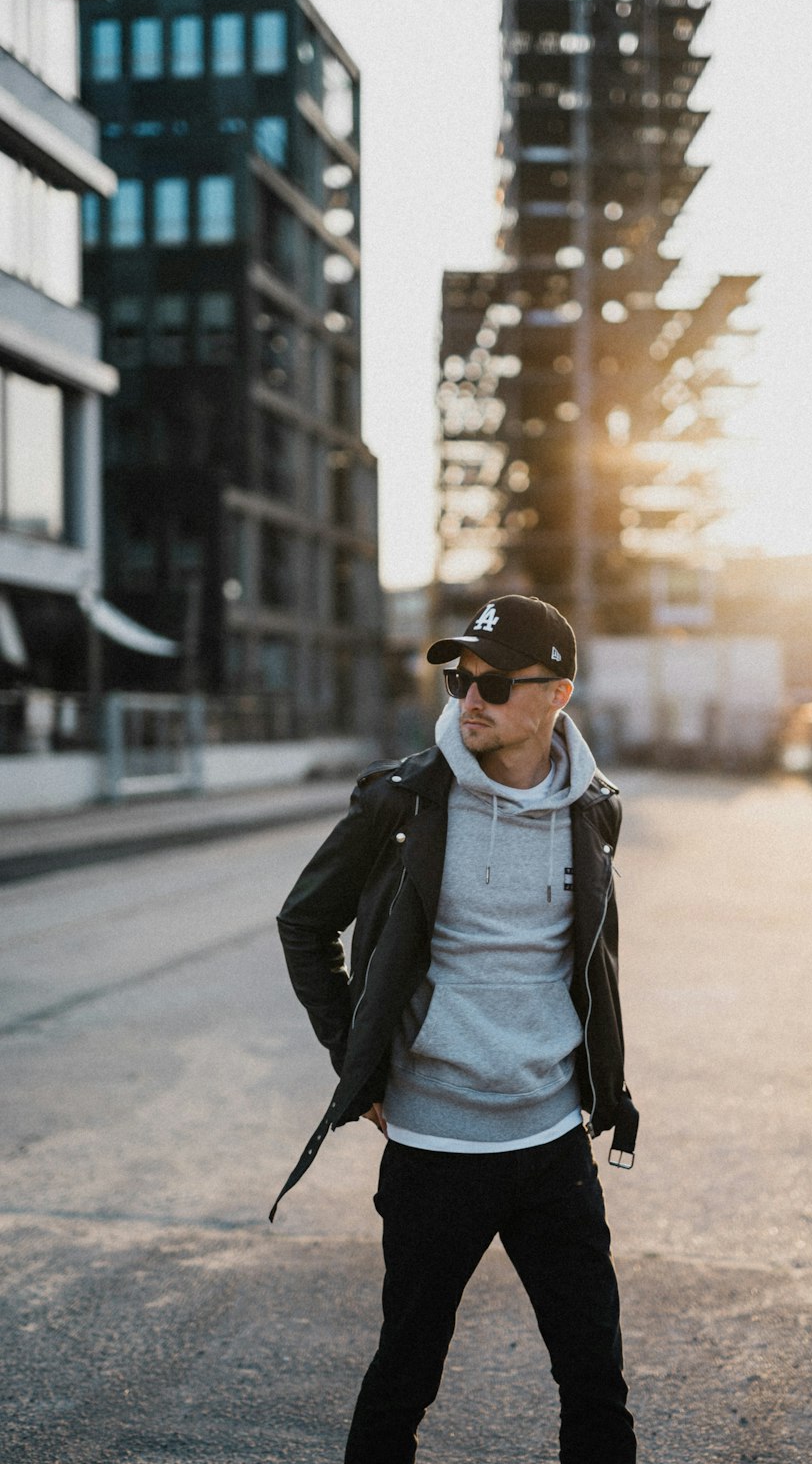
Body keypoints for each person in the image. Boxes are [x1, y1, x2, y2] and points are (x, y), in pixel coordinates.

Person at [271, 594, 639, 1463]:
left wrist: (602, 1085)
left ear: (558, 694)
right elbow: (303, 922)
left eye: (495, 682)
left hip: (553, 1141)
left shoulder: (594, 809)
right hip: (435, 1148)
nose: (469, 698)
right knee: (403, 1378)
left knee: (597, 1385)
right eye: (457, 678)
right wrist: (353, 1063)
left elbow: (594, 964)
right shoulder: (400, 800)